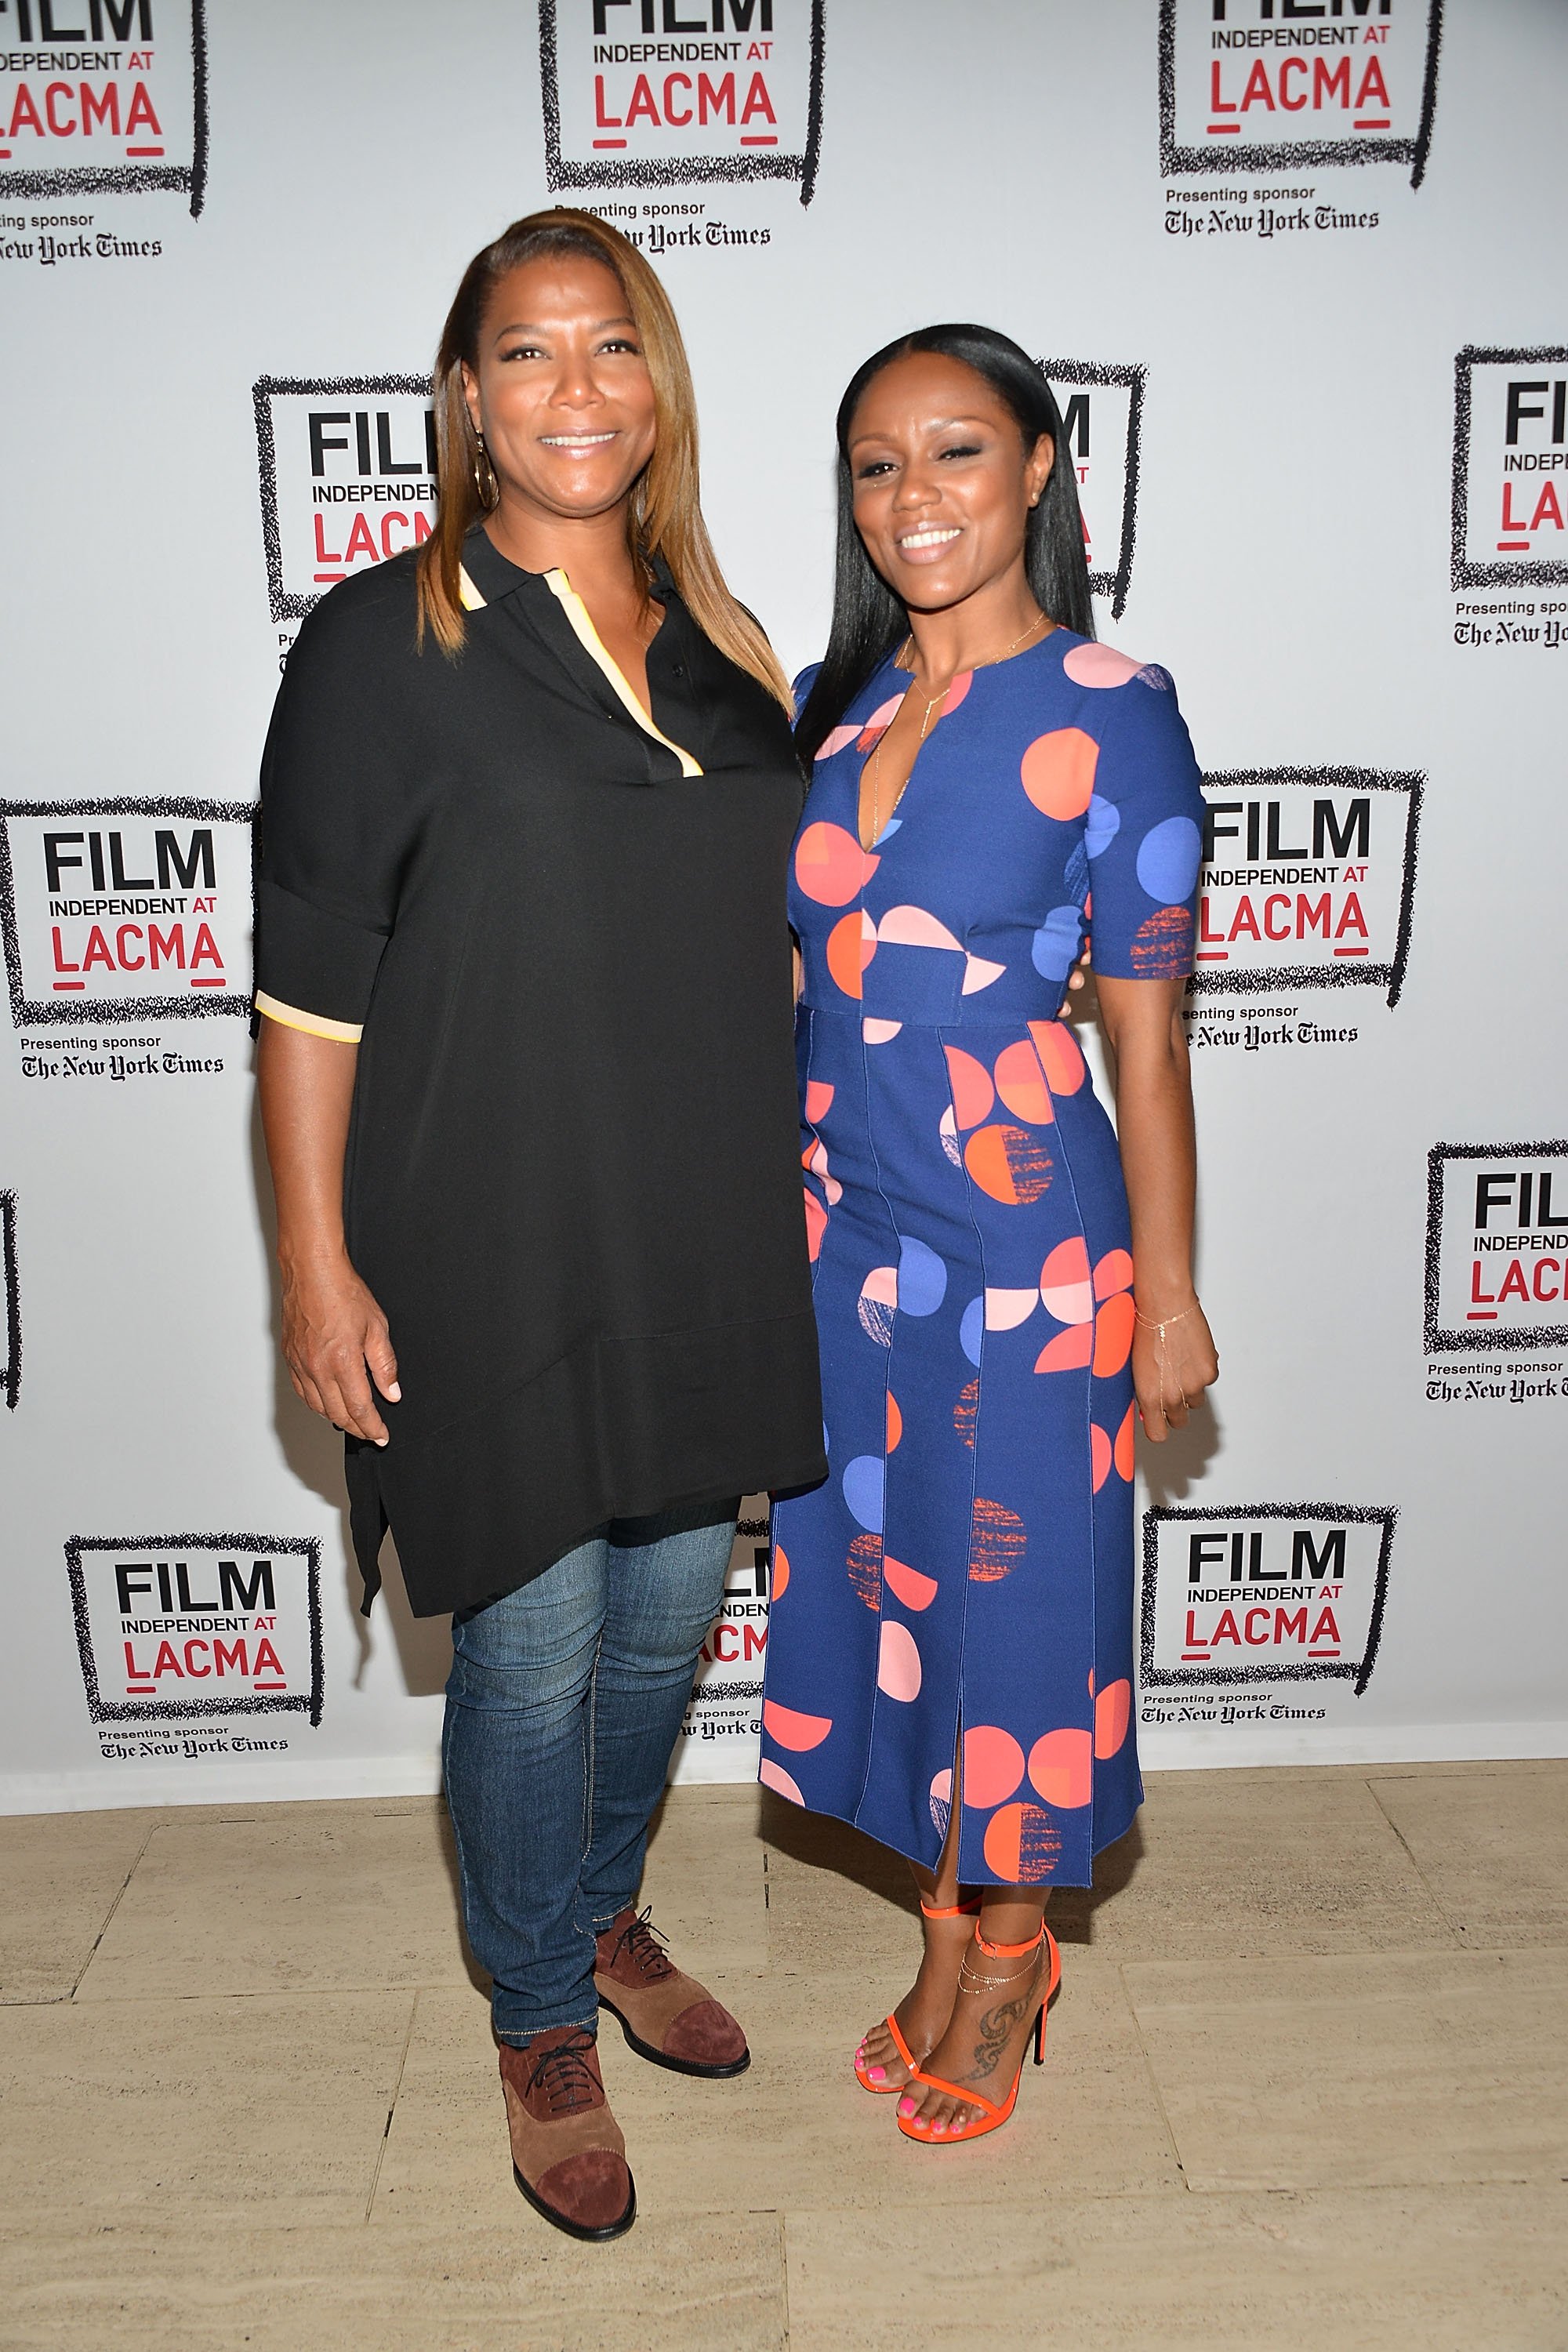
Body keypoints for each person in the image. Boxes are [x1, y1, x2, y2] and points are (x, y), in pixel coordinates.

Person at [254, 209, 825, 2241]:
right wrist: (311, 1264)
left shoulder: (725, 637)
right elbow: (307, 992)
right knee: (537, 1631)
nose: (573, 387)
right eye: (527, 352)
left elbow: (775, 941)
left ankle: (598, 1913)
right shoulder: (377, 641)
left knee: (673, 1615)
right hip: (480, 1221)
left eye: (611, 347)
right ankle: (533, 2016)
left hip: (701, 1223)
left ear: (654, 383)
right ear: (469, 396)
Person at [761, 324, 1218, 2146]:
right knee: (888, 1584)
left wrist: (1166, 1292)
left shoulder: (1114, 703)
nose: (913, 498)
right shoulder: (834, 705)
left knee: (1019, 1603)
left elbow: (1150, 1034)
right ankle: (949, 1903)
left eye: (954, 453)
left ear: (1040, 466)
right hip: (843, 1236)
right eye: (876, 466)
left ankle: (1013, 1947)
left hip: (1031, 1249)